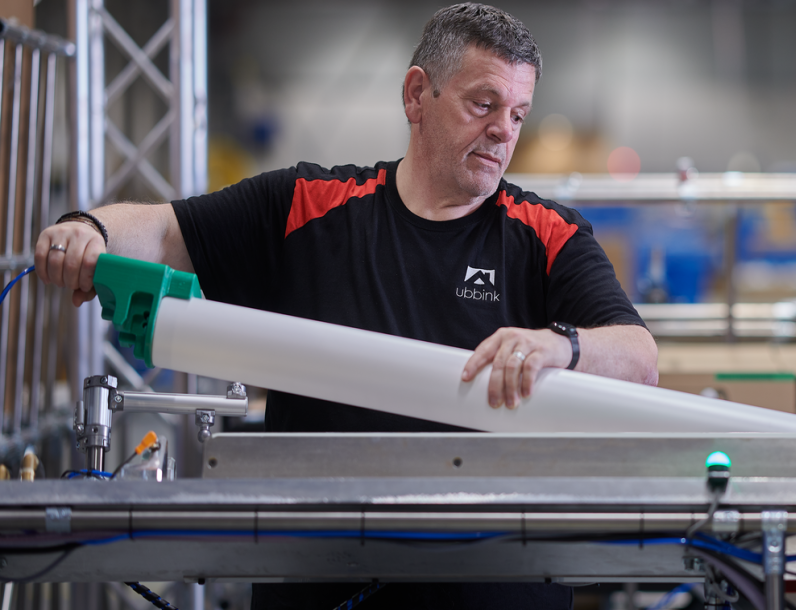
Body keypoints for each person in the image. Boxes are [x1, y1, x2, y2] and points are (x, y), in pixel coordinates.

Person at [35, 4, 657, 609]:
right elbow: (166, 232)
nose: (504, 131)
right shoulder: (310, 205)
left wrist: (563, 345)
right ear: (417, 96)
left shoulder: (548, 235)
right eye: (484, 104)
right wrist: (90, 228)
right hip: (318, 579)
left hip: (497, 582)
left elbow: (639, 359)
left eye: (519, 114)